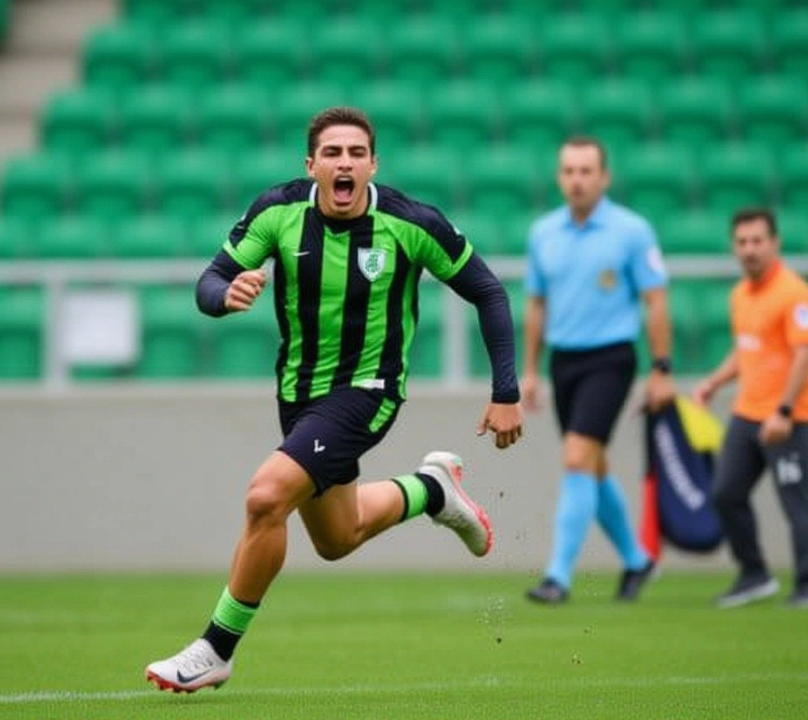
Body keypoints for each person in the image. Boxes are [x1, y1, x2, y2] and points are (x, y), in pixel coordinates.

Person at [144, 106, 524, 693]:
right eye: (332, 154)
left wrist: (506, 390)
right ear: (311, 165)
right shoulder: (278, 211)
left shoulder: (409, 223)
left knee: (265, 497)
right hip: (298, 393)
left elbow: (489, 293)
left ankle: (215, 649)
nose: (344, 164)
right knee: (336, 539)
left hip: (368, 390)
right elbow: (209, 281)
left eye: (355, 154)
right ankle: (431, 490)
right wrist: (227, 294)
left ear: (373, 164)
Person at [521, 136, 676, 606]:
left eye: (586, 171)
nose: (577, 180)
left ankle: (557, 577)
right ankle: (636, 559)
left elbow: (655, 300)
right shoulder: (542, 232)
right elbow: (535, 304)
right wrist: (530, 370)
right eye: (569, 171)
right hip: (563, 362)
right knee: (593, 465)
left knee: (575, 460)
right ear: (558, 177)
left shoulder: (632, 231)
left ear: (604, 177)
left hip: (610, 358)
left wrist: (661, 369)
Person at [692, 207, 808, 610]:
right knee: (725, 493)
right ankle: (754, 574)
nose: (749, 249)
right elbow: (747, 349)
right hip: (748, 414)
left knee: (796, 500)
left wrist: (784, 412)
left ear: (775, 243)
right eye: (742, 242)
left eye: (757, 241)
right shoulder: (740, 296)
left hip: (791, 419)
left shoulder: (795, 293)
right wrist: (715, 382)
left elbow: (804, 355)